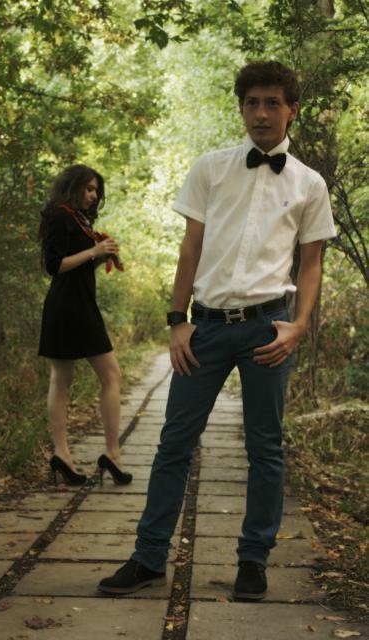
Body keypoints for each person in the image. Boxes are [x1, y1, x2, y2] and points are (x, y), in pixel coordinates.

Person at [98, 61, 336, 599]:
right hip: (204, 328)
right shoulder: (211, 168)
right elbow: (191, 247)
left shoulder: (309, 184)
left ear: (292, 110)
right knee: (173, 444)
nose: (261, 113)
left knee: (265, 448)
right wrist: (176, 321)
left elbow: (312, 262)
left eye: (272, 103)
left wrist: (298, 326)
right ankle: (148, 557)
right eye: (252, 103)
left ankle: (254, 561)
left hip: (267, 331)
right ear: (241, 108)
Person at [38, 164, 132, 487]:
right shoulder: (59, 215)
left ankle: (108, 454)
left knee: (105, 376)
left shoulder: (78, 218)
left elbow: (76, 265)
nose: (93, 195)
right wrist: (94, 250)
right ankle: (67, 453)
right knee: (71, 377)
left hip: (81, 305)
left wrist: (100, 256)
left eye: (96, 191)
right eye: (89, 189)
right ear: (73, 186)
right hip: (66, 307)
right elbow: (54, 266)